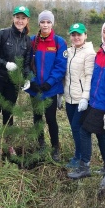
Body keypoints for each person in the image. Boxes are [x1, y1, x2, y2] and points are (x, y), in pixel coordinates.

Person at [68, 19, 105, 179]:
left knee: (83, 130)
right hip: (94, 100)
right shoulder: (102, 51)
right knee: (102, 134)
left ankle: (84, 166)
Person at [0, 6, 31, 156]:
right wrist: (5, 64)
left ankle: (9, 144)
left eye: (23, 18)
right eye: (17, 17)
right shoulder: (3, 34)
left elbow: (26, 63)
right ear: (13, 18)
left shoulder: (27, 40)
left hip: (13, 83)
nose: (20, 20)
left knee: (9, 112)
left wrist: (26, 78)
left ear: (27, 21)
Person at [25, 10, 67, 162]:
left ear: (52, 23)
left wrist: (50, 82)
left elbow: (61, 65)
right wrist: (33, 80)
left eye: (48, 22)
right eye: (43, 22)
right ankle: (41, 144)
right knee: (37, 118)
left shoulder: (59, 42)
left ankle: (55, 147)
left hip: (51, 89)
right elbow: (26, 63)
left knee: (51, 119)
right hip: (34, 88)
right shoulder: (31, 41)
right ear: (39, 23)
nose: (45, 25)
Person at [62, 23, 96, 168]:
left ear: (85, 35)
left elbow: (89, 76)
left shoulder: (89, 53)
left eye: (79, 34)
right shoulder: (68, 52)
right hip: (69, 97)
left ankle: (81, 157)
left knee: (78, 127)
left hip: (81, 99)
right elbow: (65, 74)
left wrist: (85, 97)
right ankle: (79, 153)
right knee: (73, 127)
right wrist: (60, 94)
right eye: (73, 34)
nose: (76, 37)